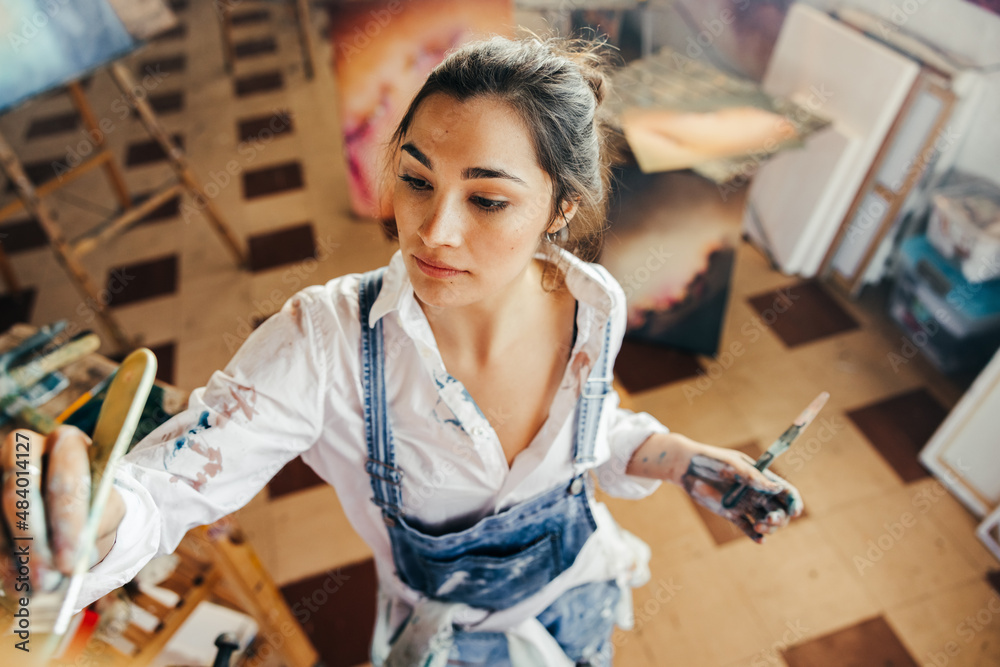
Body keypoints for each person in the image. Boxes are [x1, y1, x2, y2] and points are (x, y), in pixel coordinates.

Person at [0, 34, 802, 666]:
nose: (433, 229)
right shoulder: (327, 342)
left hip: (580, 594)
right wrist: (91, 520)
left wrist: (683, 460)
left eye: (487, 198)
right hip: (444, 643)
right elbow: (173, 485)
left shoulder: (594, 303)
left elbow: (590, 437)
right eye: (417, 180)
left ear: (561, 209)